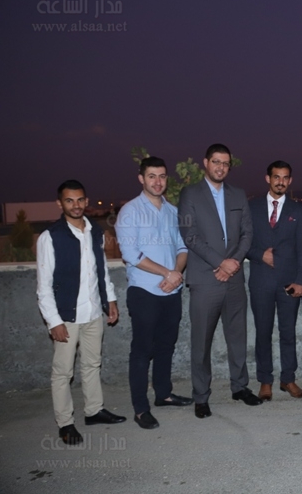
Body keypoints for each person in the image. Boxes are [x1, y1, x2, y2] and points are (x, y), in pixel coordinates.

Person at [36, 180, 126, 445]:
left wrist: (110, 300)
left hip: (93, 312)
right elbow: (43, 286)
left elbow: (101, 270)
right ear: (60, 203)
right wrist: (54, 321)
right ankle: (65, 423)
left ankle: (94, 411)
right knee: (63, 372)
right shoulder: (50, 237)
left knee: (92, 364)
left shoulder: (95, 231)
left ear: (86, 201)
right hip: (66, 316)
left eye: (79, 200)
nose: (75, 205)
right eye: (69, 200)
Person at [178, 143, 260, 419]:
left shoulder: (238, 194)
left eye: (225, 163)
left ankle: (240, 387)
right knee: (201, 342)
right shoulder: (190, 194)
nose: (221, 167)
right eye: (216, 162)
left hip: (234, 278)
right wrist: (220, 262)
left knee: (238, 338)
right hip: (205, 279)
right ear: (206, 162)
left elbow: (248, 233)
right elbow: (189, 235)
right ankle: (201, 396)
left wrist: (232, 262)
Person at [116, 157, 192, 430]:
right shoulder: (130, 211)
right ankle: (140, 409)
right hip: (144, 291)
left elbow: (182, 248)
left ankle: (164, 394)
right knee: (142, 350)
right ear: (141, 179)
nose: (157, 182)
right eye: (151, 176)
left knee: (166, 346)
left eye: (161, 176)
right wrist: (166, 273)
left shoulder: (172, 211)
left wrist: (176, 274)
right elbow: (130, 253)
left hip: (171, 291)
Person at [247, 160, 302, 400]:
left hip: (289, 283)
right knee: (263, 332)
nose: (280, 182)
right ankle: (265, 381)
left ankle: (288, 379)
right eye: (276, 177)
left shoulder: (297, 210)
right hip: (260, 281)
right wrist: (259, 255)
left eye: (285, 178)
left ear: (290, 180)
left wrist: (300, 280)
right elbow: (242, 241)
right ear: (268, 178)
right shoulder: (251, 207)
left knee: (288, 333)